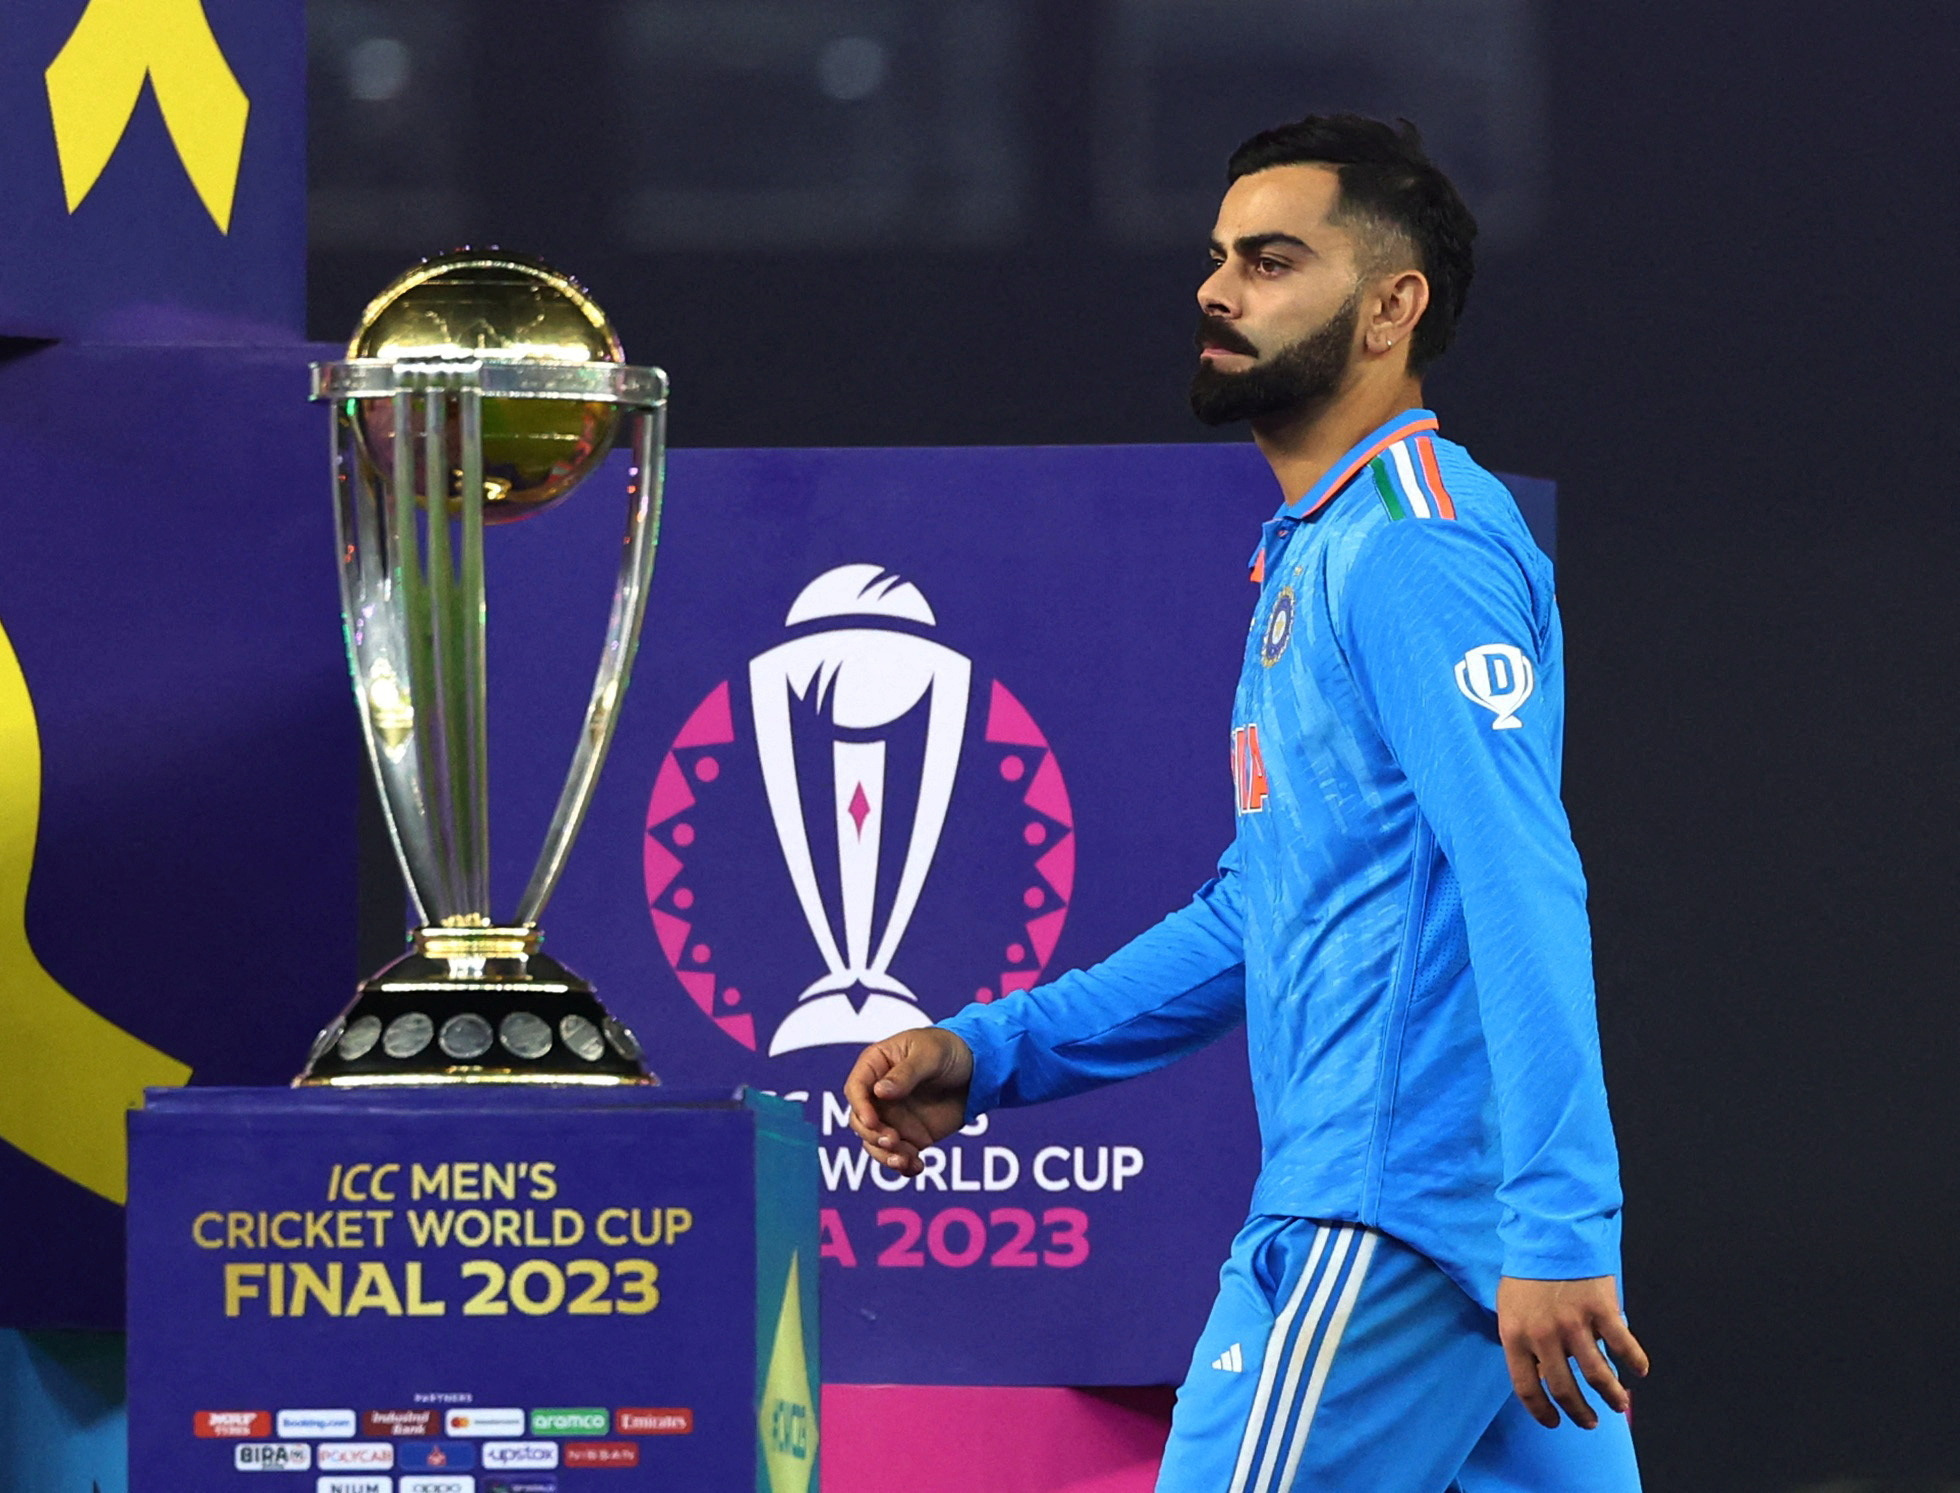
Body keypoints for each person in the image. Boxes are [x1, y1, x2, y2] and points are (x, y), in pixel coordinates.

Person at [842, 113, 1647, 1492]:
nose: (1218, 291)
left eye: (1272, 261)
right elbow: (1255, 911)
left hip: (1385, 1225)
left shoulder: (1411, 549)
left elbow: (1520, 869)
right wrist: (995, 1052)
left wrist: (1565, 1219)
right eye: (1220, 258)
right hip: (1458, 1245)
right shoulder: (1326, 548)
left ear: (1394, 306)